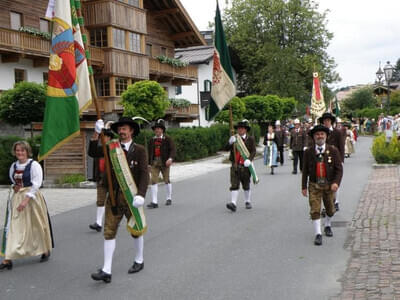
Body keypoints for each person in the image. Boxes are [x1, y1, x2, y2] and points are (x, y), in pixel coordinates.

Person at [90, 117, 149, 283]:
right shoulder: (111, 148)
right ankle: (106, 269)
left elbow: (145, 174)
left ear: (131, 131)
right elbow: (93, 153)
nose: (122, 131)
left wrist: (141, 195)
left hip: (133, 196)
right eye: (120, 129)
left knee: (136, 229)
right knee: (109, 231)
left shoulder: (140, 150)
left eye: (124, 129)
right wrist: (96, 133)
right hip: (115, 197)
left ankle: (139, 260)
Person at [1, 141, 53, 270]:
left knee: (37, 226)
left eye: (22, 150)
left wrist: (26, 200)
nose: (20, 153)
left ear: (27, 151)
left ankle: (44, 249)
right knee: (14, 226)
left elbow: (37, 184)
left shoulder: (34, 165)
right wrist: (15, 187)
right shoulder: (14, 166)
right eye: (18, 150)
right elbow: (13, 181)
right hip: (18, 197)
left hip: (32, 198)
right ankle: (8, 258)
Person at [302, 125, 343, 246]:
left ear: (326, 136)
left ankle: (328, 225)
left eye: (322, 134)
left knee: (330, 209)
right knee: (315, 209)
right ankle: (318, 234)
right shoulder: (308, 152)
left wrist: (336, 183)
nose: (320, 136)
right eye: (317, 134)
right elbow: (304, 170)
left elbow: (339, 169)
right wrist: (303, 186)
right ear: (314, 137)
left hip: (329, 184)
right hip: (314, 184)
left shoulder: (333, 150)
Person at [88, 121, 114, 232]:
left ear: (109, 138)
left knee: (115, 201)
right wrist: (96, 132)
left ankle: (114, 220)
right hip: (101, 178)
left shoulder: (114, 148)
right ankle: (98, 223)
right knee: (100, 200)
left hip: (113, 179)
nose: (103, 139)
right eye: (101, 137)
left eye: (105, 137)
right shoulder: (99, 150)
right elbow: (91, 151)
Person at [226, 119, 257, 212]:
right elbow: (225, 148)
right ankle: (233, 203)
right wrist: (230, 143)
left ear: (245, 129)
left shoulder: (250, 139)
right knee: (234, 184)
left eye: (242, 128)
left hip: (245, 166)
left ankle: (247, 201)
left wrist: (249, 159)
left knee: (246, 184)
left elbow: (253, 151)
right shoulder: (234, 138)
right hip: (235, 165)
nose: (240, 130)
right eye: (238, 128)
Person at [147, 119, 176, 208]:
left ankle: (168, 198)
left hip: (165, 162)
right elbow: (149, 152)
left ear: (162, 130)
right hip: (154, 162)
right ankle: (154, 202)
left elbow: (173, 149)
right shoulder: (152, 140)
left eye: (159, 129)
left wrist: (170, 159)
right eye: (156, 129)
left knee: (166, 180)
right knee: (153, 181)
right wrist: (148, 163)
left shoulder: (168, 139)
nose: (157, 130)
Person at [318, 112, 345, 211]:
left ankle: (336, 201)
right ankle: (325, 204)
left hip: (335, 159)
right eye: (325, 121)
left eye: (328, 120)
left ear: (331, 121)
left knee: (335, 181)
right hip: (322, 160)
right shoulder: (321, 133)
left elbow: (341, 147)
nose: (326, 122)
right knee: (323, 182)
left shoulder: (337, 132)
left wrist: (341, 160)